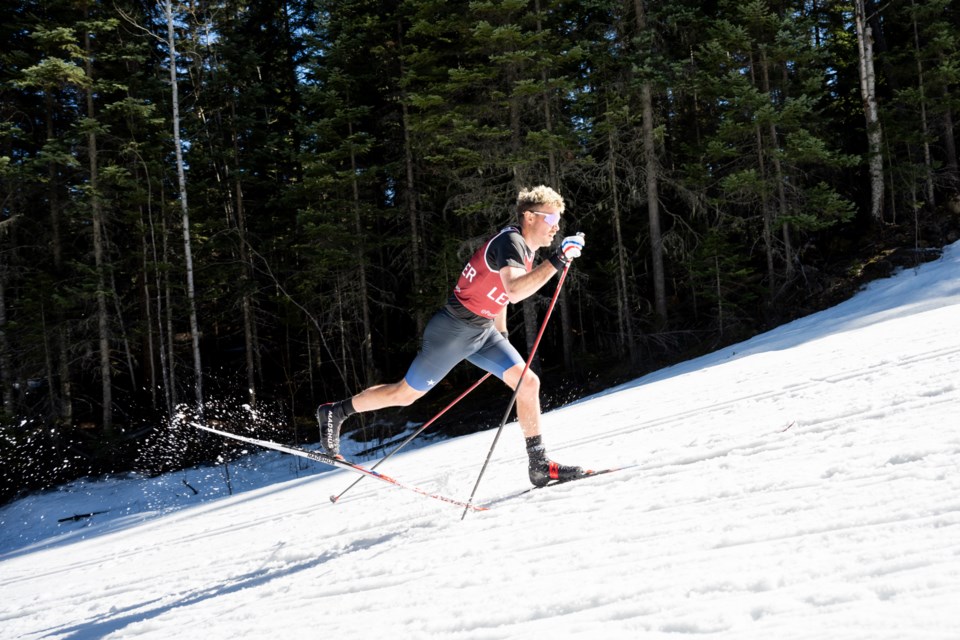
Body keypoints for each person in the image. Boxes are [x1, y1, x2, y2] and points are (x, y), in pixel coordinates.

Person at [316, 185, 586, 487]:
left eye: (558, 221)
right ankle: (335, 411)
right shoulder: (510, 241)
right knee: (405, 395)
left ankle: (538, 464)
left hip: (483, 332)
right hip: (453, 330)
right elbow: (513, 292)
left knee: (527, 382)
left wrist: (503, 335)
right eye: (551, 220)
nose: (557, 227)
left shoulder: (523, 246)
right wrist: (559, 260)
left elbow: (498, 294)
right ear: (530, 217)